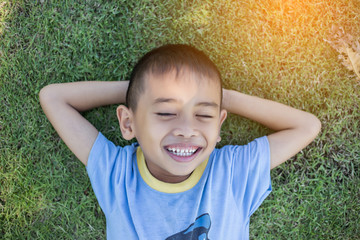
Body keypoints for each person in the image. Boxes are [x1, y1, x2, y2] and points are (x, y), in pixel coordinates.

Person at [39, 44, 321, 239]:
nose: (187, 129)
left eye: (203, 113)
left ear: (219, 125)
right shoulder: (117, 175)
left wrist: (223, 95)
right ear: (128, 123)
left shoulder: (231, 171)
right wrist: (137, 92)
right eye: (165, 112)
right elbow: (53, 97)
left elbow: (307, 126)